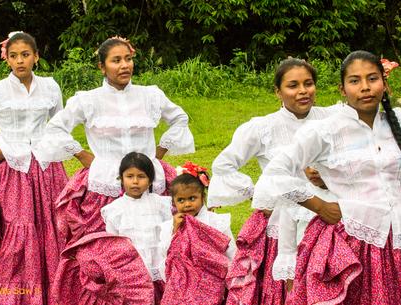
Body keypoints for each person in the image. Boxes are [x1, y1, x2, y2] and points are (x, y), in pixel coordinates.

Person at [254, 50, 401, 304]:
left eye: (372, 78)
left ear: (385, 83)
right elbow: (275, 174)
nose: (365, 87)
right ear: (342, 89)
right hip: (352, 241)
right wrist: (319, 206)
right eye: (354, 81)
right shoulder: (326, 130)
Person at [34, 36, 194, 246]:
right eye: (116, 60)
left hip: (149, 179)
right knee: (106, 245)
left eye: (128, 59)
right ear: (102, 67)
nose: (124, 65)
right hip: (106, 180)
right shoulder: (89, 100)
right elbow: (55, 127)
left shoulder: (150, 95)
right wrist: (81, 154)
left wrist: (160, 150)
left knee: (158, 241)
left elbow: (180, 118)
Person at [209, 58, 339, 305]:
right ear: (277, 91)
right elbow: (223, 165)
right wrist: (260, 193)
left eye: (308, 84)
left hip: (329, 217)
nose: (302, 91)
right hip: (284, 223)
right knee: (288, 286)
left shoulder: (333, 118)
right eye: (293, 85)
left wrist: (330, 177)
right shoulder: (263, 127)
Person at [0, 31, 67, 305]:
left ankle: (52, 292)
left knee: (52, 227)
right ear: (6, 58)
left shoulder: (51, 87)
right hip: (11, 166)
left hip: (46, 168)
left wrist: (67, 151)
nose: (20, 60)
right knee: (16, 231)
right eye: (13, 56)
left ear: (36, 56)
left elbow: (59, 126)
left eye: (25, 54)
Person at [158, 162, 236, 304]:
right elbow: (165, 255)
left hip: (211, 284)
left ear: (202, 197)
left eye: (192, 198)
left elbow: (232, 252)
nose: (187, 204)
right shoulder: (169, 226)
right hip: (180, 286)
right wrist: (175, 230)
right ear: (174, 202)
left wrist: (233, 280)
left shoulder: (216, 222)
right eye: (181, 200)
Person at [101, 152, 173, 303]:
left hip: (160, 268)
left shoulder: (161, 204)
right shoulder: (114, 210)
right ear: (121, 178)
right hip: (132, 275)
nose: (135, 181)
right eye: (129, 176)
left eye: (141, 176)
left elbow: (170, 233)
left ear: (150, 180)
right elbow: (113, 244)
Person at [272, 167, 337, 293]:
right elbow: (287, 248)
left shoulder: (350, 195)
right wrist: (292, 289)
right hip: (306, 270)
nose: (313, 170)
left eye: (319, 164)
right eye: (308, 165)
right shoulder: (295, 194)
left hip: (341, 270)